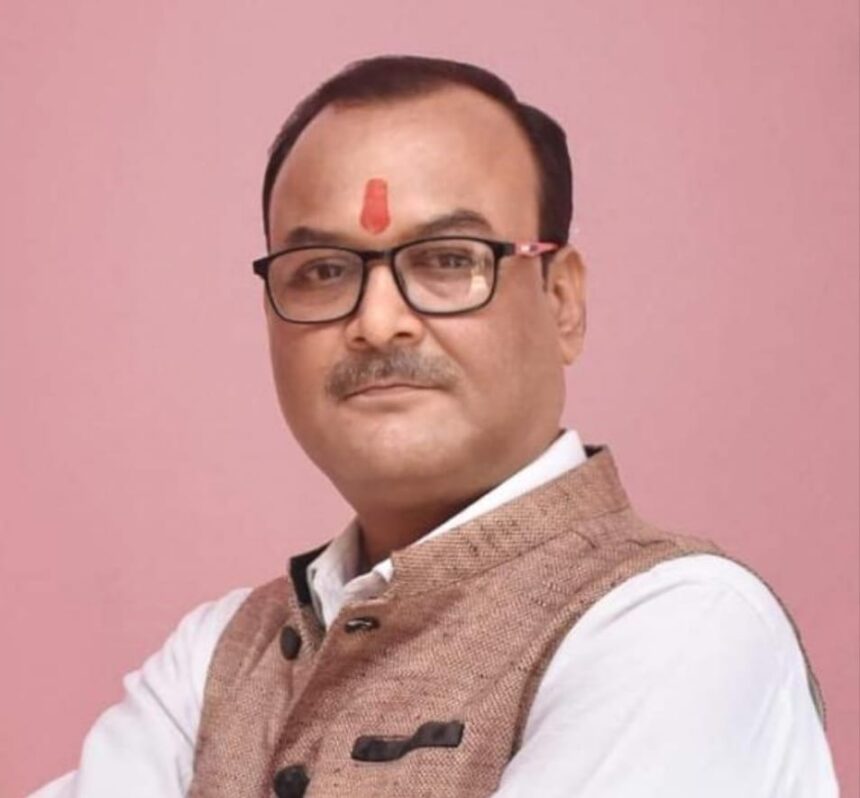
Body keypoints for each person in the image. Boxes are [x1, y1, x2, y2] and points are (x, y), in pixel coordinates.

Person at [31, 55, 839, 798]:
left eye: (449, 259)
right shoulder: (214, 660)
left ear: (562, 301)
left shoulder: (674, 625)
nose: (378, 322)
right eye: (322, 271)